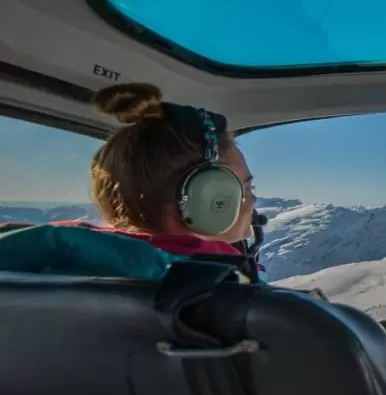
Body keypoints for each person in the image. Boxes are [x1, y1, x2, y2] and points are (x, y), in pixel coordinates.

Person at [0, 83, 262, 280]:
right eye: (246, 187)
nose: (253, 200)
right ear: (210, 196)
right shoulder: (223, 295)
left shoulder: (54, 264)